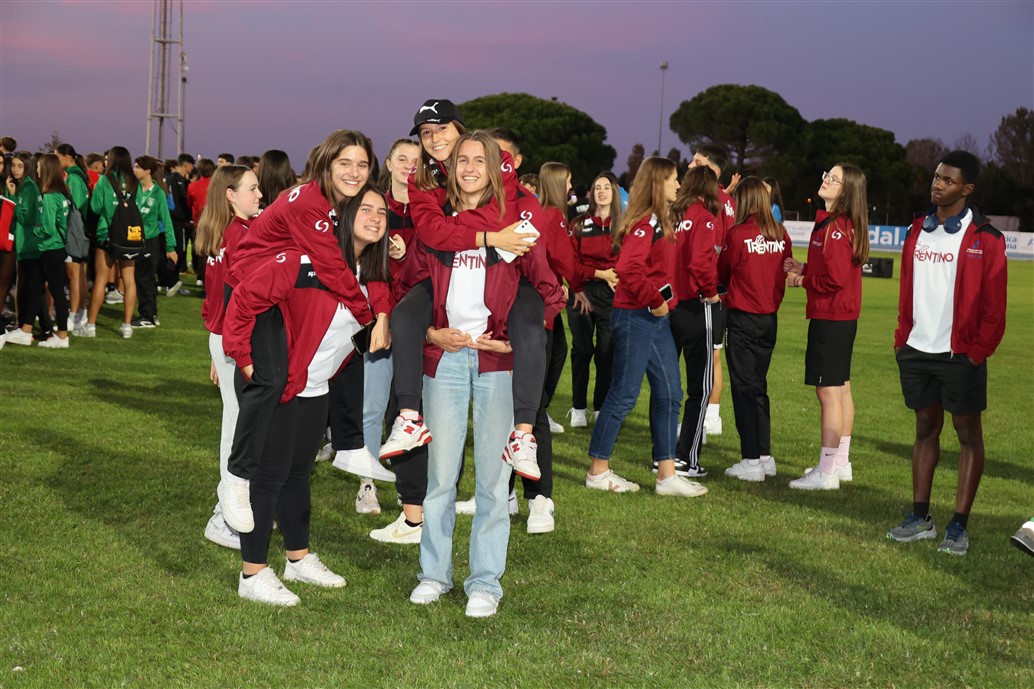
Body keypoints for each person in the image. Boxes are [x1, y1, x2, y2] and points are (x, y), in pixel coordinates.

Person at [408, 132, 560, 617]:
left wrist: (523, 339)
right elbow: (411, 285)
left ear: (495, 168)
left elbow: (547, 285)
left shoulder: (515, 223)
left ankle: (485, 583)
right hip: (447, 359)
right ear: (451, 168)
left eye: (480, 160)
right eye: (462, 160)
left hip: (496, 361)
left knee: (494, 481)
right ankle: (434, 575)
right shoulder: (436, 222)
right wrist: (430, 333)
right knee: (441, 477)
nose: (470, 168)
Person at [221, 189, 380, 604]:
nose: (375, 217)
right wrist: (244, 358)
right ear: (341, 218)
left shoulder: (374, 276)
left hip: (317, 385)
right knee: (270, 476)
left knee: (298, 475)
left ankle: (297, 558)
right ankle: (252, 573)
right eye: (365, 209)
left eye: (382, 212)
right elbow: (244, 298)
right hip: (284, 382)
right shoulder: (302, 259)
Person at [381, 100, 551, 484]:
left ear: (460, 129)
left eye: (442, 129)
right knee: (405, 316)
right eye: (426, 133)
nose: (434, 139)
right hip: (444, 272)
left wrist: (455, 225)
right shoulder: (423, 178)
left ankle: (524, 436)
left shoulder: (490, 158)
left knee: (530, 328)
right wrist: (486, 235)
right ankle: (408, 417)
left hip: (504, 272)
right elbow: (432, 233)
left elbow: (507, 211)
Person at [885, 150, 1007, 556]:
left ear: (966, 189)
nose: (937, 184)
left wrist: (976, 353)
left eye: (947, 180)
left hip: (960, 355)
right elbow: (908, 287)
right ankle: (920, 518)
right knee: (924, 429)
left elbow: (995, 308)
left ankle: (958, 526)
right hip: (916, 349)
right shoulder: (916, 229)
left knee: (968, 435)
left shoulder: (987, 238)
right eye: (936, 177)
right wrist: (902, 339)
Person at [584, 156, 704, 498]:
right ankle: (597, 471)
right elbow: (628, 268)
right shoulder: (646, 222)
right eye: (673, 179)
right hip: (637, 317)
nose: (678, 184)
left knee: (670, 393)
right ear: (657, 183)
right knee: (623, 395)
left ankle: (667, 475)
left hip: (652, 319)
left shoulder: (658, 220)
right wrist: (654, 299)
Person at [784, 164, 869, 490]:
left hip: (832, 316)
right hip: (841, 316)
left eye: (834, 179)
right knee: (841, 388)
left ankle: (827, 470)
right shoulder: (840, 224)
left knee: (829, 391)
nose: (826, 181)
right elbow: (834, 269)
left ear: (846, 191)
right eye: (827, 175)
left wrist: (801, 280)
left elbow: (835, 279)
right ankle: (840, 463)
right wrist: (805, 266)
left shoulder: (836, 228)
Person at [194, 164, 261, 550]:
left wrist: (217, 348)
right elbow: (235, 300)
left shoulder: (223, 232)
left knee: (237, 425)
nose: (259, 195)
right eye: (252, 188)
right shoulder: (239, 235)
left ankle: (234, 510)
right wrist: (229, 349)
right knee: (238, 429)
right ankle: (224, 517)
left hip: (224, 341)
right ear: (231, 195)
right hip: (236, 343)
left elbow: (213, 300)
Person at [717, 177, 793, 480]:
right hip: (769, 319)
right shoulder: (781, 233)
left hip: (743, 318)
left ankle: (751, 461)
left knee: (744, 388)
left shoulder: (738, 234)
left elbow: (722, 271)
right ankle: (763, 455)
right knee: (758, 386)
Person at [668, 165, 722, 478]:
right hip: (692, 306)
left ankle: (662, 456)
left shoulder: (671, 216)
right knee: (699, 388)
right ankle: (686, 459)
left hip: (666, 306)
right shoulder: (705, 218)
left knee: (666, 386)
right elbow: (700, 263)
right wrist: (711, 294)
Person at [688, 144, 737, 441]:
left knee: (709, 357)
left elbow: (712, 249)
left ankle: (708, 419)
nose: (690, 166)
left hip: (709, 288)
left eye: (697, 162)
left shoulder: (710, 201)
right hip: (717, 286)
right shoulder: (727, 200)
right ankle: (710, 417)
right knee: (711, 355)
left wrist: (709, 285)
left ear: (713, 171)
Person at [566, 172, 621, 428]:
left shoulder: (623, 226)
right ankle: (578, 407)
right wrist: (599, 273)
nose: (601, 191)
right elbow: (571, 264)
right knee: (582, 350)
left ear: (614, 192)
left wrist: (617, 276)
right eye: (597, 187)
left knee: (607, 351)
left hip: (612, 296)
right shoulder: (578, 224)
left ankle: (600, 408)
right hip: (582, 292)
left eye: (606, 187)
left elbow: (630, 259)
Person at [4, 152, 71, 348]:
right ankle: (26, 331)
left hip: (50, 248)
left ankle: (61, 336)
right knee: (36, 288)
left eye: (40, 166)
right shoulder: (59, 193)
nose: (37, 169)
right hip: (53, 248)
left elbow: (47, 228)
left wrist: (34, 232)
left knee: (56, 292)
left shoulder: (49, 196)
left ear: (47, 169)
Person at [81, 146, 140, 339]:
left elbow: (95, 207)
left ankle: (90, 325)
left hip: (106, 234)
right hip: (129, 236)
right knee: (129, 280)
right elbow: (138, 207)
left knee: (101, 279)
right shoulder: (134, 181)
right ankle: (127, 326)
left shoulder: (104, 180)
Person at [130, 156, 177, 328]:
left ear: (147, 171)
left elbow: (166, 220)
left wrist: (170, 246)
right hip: (133, 240)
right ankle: (151, 313)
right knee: (139, 278)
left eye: (137, 167)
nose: (134, 170)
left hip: (150, 241)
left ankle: (147, 316)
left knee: (146, 279)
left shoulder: (158, 193)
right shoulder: (133, 189)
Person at [55, 144, 90, 331]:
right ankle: (80, 313)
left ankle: (74, 315)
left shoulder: (74, 178)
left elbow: (75, 207)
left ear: (67, 156)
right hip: (78, 230)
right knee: (79, 273)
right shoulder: (77, 175)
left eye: (57, 156)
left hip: (74, 230)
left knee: (73, 274)